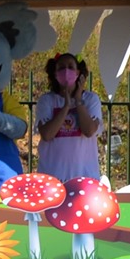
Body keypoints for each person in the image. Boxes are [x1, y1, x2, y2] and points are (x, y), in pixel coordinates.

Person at [35, 53, 102, 185]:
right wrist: (66, 107)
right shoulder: (46, 101)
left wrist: (77, 100)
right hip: (52, 179)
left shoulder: (91, 100)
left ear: (78, 72)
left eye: (71, 67)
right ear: (54, 74)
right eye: (61, 68)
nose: (66, 71)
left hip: (85, 179)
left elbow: (89, 131)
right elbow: (47, 134)